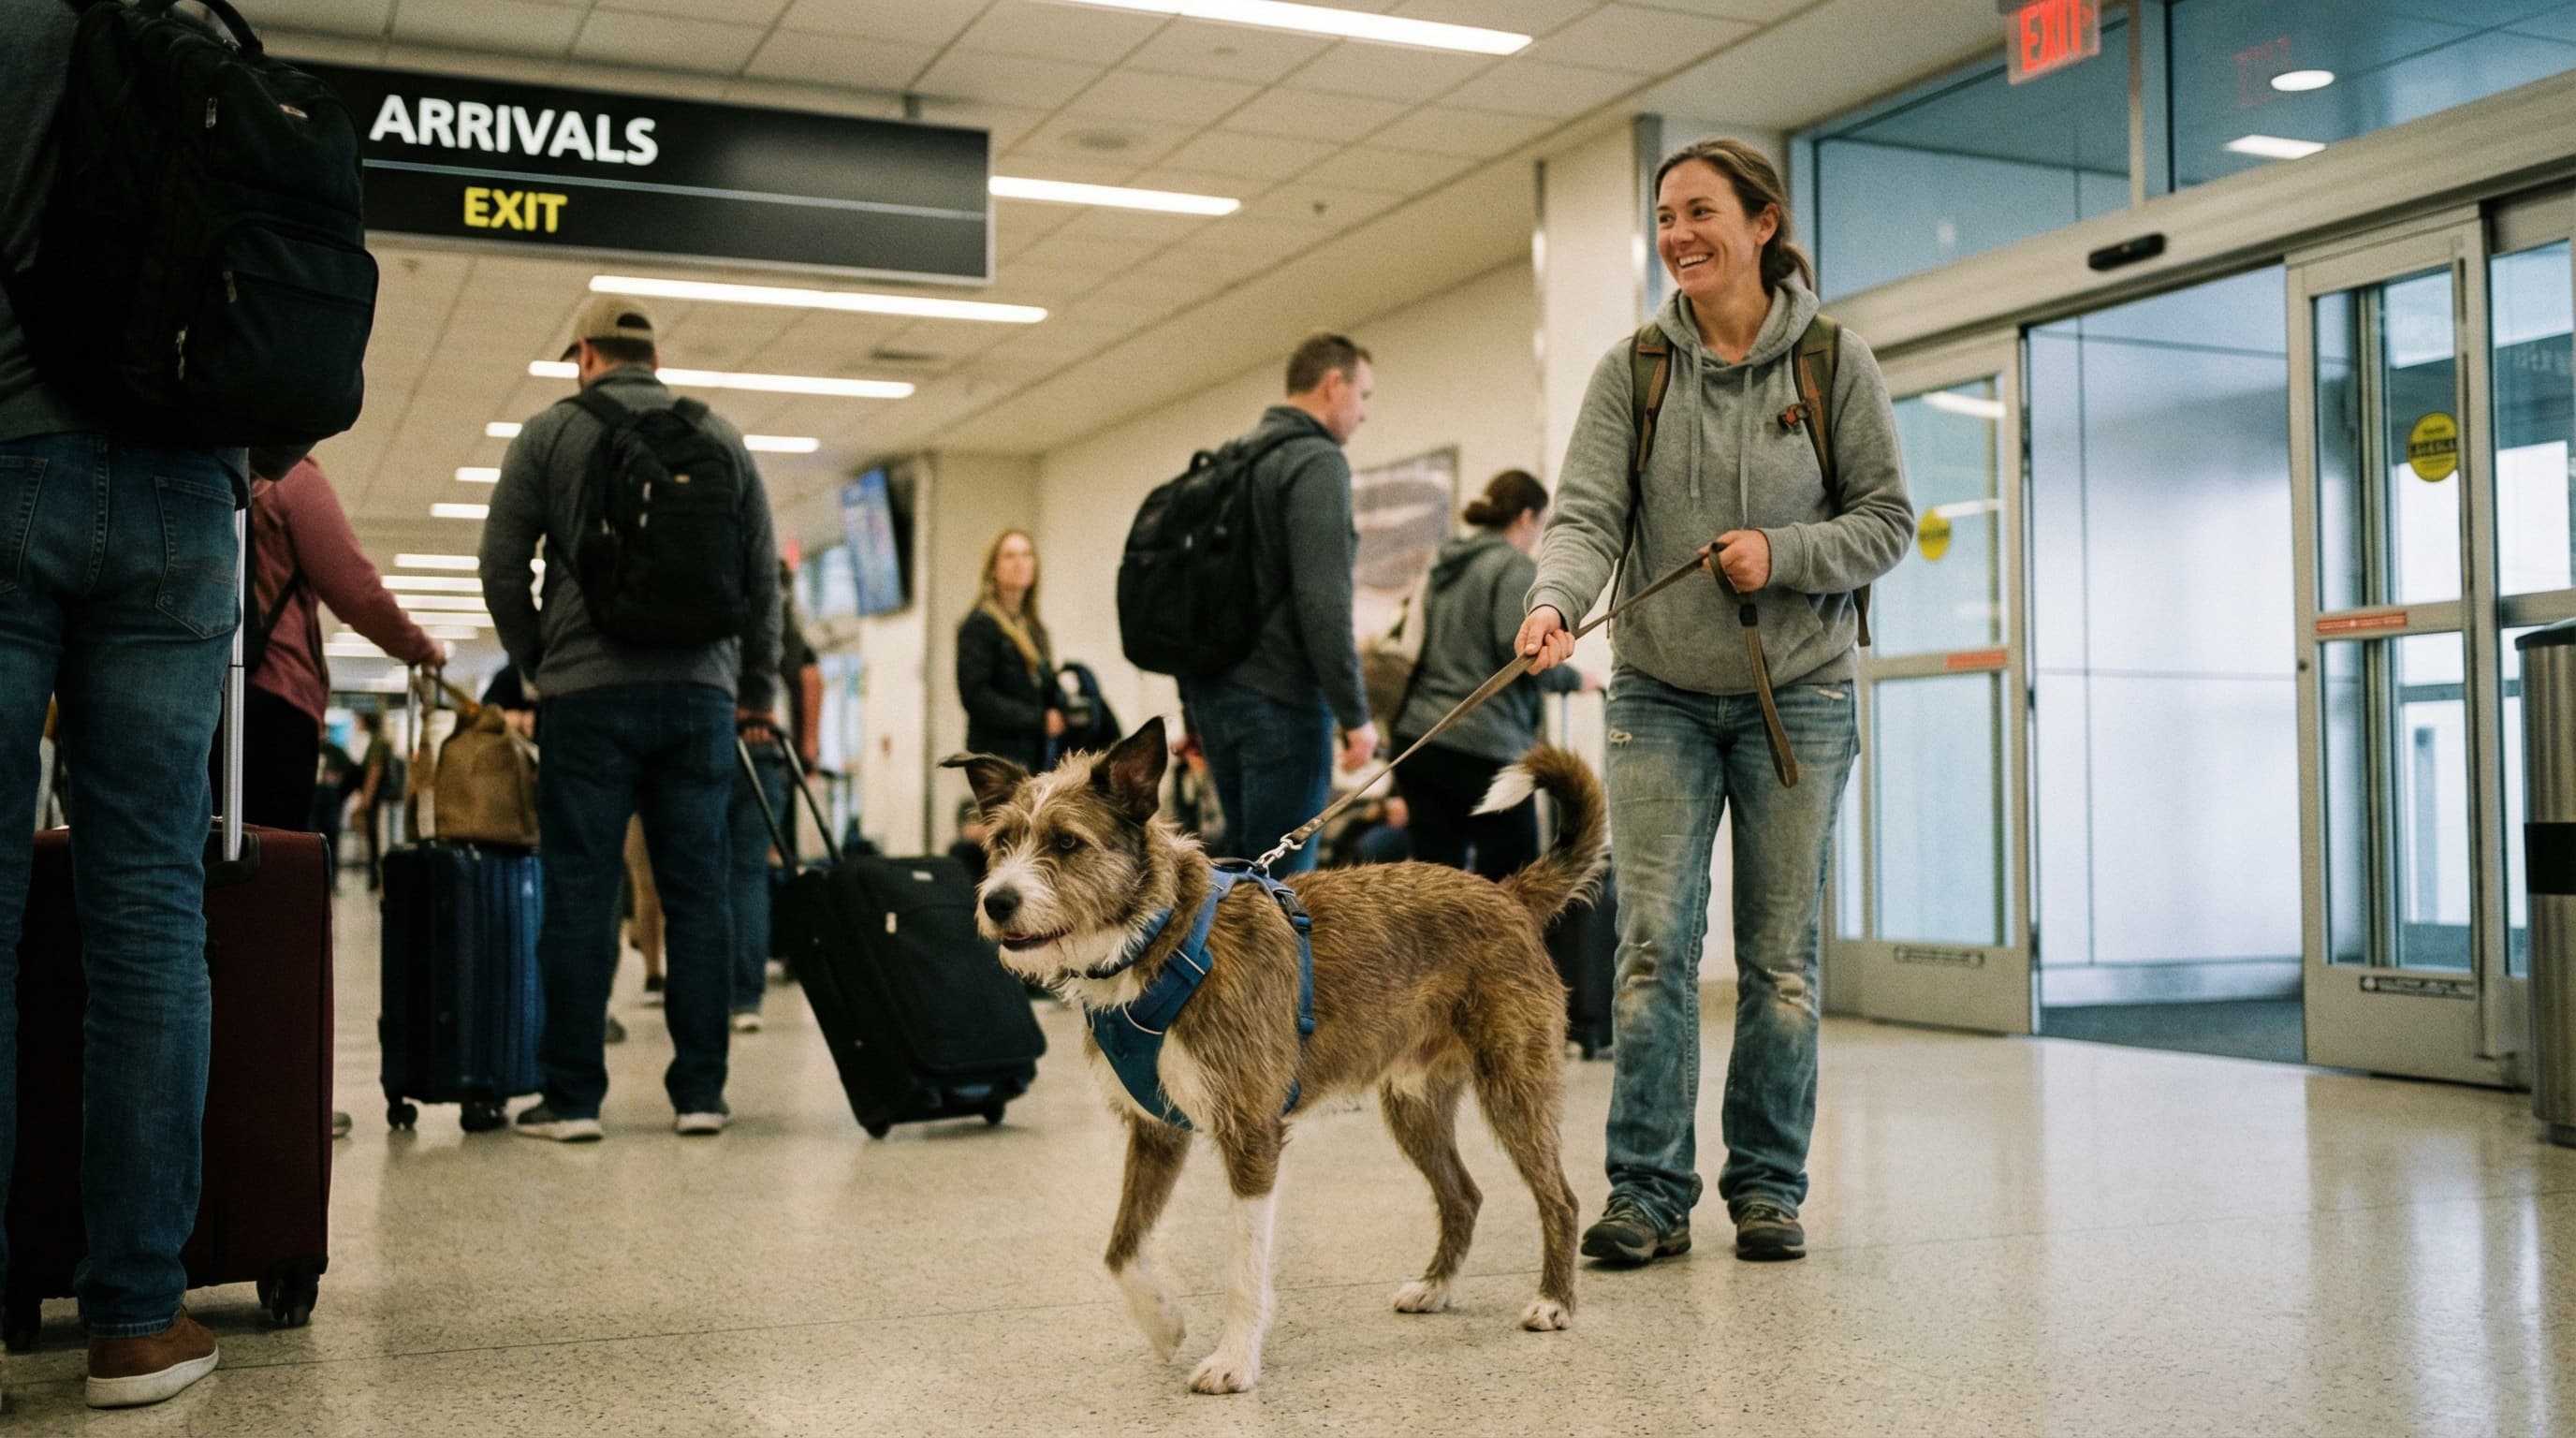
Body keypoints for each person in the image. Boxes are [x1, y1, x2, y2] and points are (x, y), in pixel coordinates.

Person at [1517, 139, 1912, 1267]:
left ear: (1761, 225)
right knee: (1651, 949)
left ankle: (1767, 1189)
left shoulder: (1834, 364)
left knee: (1779, 961)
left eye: (1700, 212)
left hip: (1802, 697)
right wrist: (1554, 604)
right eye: (1665, 216)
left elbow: (1884, 522)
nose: (1678, 235)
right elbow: (1586, 515)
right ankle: (1644, 1192)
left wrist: (1779, 551)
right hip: (1660, 695)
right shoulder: (1633, 369)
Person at [0, 0, 232, 1403]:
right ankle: (137, 1321)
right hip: (180, 500)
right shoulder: (208, 42)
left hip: (3, 459)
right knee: (149, 911)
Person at [482, 294, 782, 1142]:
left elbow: (500, 564)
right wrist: (753, 687)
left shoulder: (550, 433)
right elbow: (763, 577)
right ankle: (701, 1094)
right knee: (698, 894)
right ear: (652, 356)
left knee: (581, 892)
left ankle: (572, 1098)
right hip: (701, 699)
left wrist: (539, 664)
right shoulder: (719, 436)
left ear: (584, 354)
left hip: (587, 695)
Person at [1179, 333, 1381, 874]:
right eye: (1363, 396)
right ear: (1332, 385)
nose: (1363, 415)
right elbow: (1324, 601)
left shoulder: (1234, 458)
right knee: (1283, 886)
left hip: (1217, 696)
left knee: (1243, 870)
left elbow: (1194, 589)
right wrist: (1356, 716)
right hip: (1283, 702)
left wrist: (1191, 707)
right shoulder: (1316, 463)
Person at [218, 451, 447, 829]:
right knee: (270, 855)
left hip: (194, 690)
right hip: (274, 697)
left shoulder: (195, 466)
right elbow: (356, 592)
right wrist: (421, 648)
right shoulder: (289, 477)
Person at [1392, 470, 1602, 881]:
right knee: (1514, 889)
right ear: (1527, 517)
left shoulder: (1445, 566)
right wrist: (1578, 680)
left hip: (1422, 740)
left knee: (1435, 892)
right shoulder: (1513, 569)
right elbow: (1526, 656)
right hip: (1481, 749)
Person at [726, 563, 816, 1029]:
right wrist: (806, 749)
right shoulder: (783, 623)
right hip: (762, 749)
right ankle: (746, 999)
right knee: (748, 874)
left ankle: (707, 992)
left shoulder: (711, 599)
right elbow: (806, 679)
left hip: (704, 741)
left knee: (701, 876)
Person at [954, 530, 1061, 776]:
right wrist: (1038, 719)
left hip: (1035, 752)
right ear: (993, 568)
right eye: (1010, 556)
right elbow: (976, 696)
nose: (1020, 562)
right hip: (996, 755)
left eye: (1026, 555)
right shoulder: (979, 626)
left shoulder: (1035, 630)